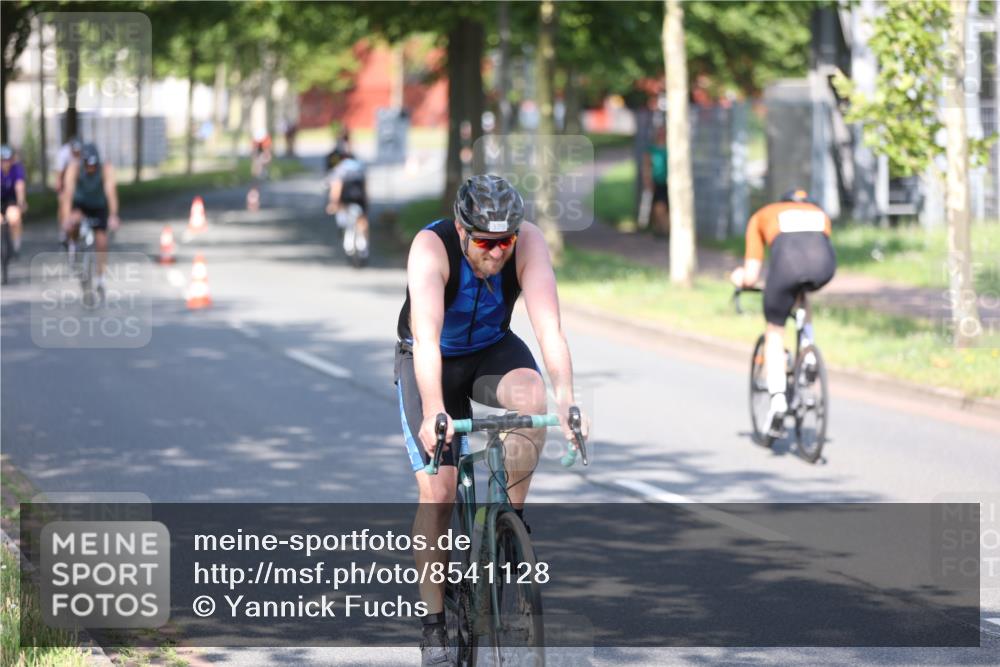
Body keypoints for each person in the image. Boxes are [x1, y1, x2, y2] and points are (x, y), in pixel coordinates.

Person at [394, 174, 589, 665]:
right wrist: (435, 409)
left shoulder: (528, 244)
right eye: (485, 242)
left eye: (506, 241)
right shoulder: (430, 248)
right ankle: (435, 624)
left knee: (534, 397)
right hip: (431, 357)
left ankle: (509, 527)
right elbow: (429, 339)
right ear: (462, 232)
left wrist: (567, 399)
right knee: (437, 491)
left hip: (489, 350)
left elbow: (550, 331)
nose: (498, 252)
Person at [730, 189, 836, 436]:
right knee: (802, 293)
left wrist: (740, 279)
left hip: (786, 267)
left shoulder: (763, 215)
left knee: (775, 330)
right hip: (824, 268)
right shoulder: (820, 214)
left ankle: (777, 401)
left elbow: (752, 273)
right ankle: (809, 351)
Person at [60, 143, 120, 296]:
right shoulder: (74, 168)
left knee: (102, 242)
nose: (90, 168)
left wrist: (113, 215)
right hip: (80, 204)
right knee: (73, 223)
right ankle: (73, 245)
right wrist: (66, 218)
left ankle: (100, 278)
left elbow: (111, 193)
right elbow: (67, 195)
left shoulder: (106, 169)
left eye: (94, 165)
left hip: (99, 206)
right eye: (87, 165)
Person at [325, 148, 369, 261]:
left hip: (346, 196)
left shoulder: (340, 168)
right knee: (362, 219)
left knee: (342, 211)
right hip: (359, 195)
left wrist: (333, 203)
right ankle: (363, 246)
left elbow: (337, 187)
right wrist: (366, 201)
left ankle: (344, 230)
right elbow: (365, 185)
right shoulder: (359, 167)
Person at [641, 123, 669, 237]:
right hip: (658, 182)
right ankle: (661, 229)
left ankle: (665, 230)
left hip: (670, 183)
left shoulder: (672, 148)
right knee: (659, 207)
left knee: (667, 208)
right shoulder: (652, 150)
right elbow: (647, 166)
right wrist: (647, 181)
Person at [1, 145, 28, 257]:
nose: (6, 163)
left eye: (9, 159)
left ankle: (15, 247)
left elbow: (19, 186)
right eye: (3, 160)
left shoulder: (17, 169)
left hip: (12, 199)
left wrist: (21, 202)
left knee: (14, 218)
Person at [55, 138, 83, 243]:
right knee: (63, 201)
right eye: (74, 151)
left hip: (78, 179)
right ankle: (63, 227)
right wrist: (60, 186)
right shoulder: (63, 153)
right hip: (64, 178)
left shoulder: (83, 153)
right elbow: (59, 173)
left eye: (78, 151)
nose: (76, 153)